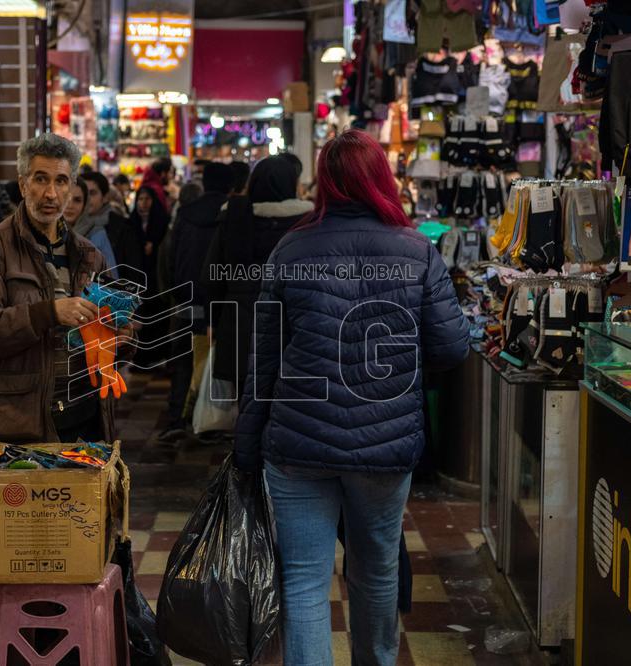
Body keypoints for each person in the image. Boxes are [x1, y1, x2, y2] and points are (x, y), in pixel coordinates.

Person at [234, 130, 470, 665]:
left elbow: (263, 359)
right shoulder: (416, 249)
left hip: (297, 442)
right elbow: (453, 347)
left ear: (324, 184)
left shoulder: (292, 247)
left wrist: (246, 444)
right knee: (376, 569)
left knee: (303, 581)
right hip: (385, 444)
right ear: (381, 179)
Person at [0, 133, 131, 446]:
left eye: (61, 181)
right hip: (20, 423)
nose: (51, 193)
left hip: (86, 419)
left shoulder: (89, 254)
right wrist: (50, 312)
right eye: (41, 179)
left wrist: (121, 330)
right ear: (24, 184)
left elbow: (121, 337)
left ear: (71, 187)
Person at [203, 155, 312, 392]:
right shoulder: (307, 222)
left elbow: (212, 275)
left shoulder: (234, 217)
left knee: (246, 400)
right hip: (292, 327)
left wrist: (212, 320)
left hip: (239, 326)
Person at [160, 162, 234, 440]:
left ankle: (176, 418)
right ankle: (212, 420)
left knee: (182, 361)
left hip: (185, 298)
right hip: (219, 303)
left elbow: (170, 255)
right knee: (219, 360)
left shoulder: (186, 213)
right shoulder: (231, 213)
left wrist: (175, 292)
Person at [128, 185, 172, 367]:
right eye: (140, 199)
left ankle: (157, 356)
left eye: (147, 199)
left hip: (157, 280)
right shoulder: (131, 223)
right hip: (138, 279)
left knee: (157, 319)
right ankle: (142, 359)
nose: (143, 204)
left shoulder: (162, 222)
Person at [83, 171, 145, 283]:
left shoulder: (122, 228)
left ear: (105, 197)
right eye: (84, 193)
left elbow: (133, 273)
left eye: (92, 193)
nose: (87, 199)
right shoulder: (69, 226)